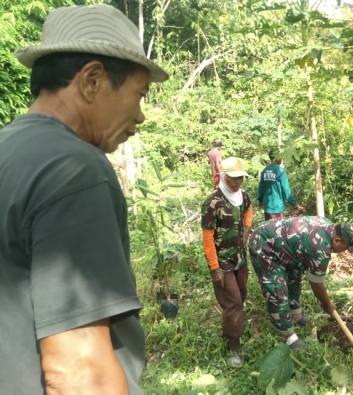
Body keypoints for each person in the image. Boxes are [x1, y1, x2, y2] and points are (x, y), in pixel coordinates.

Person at [0, 4, 168, 394]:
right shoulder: (74, 170)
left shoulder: (9, 150)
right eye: (139, 94)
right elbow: (79, 371)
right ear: (92, 80)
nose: (140, 116)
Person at [248, 216, 353, 349]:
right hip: (264, 243)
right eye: (345, 248)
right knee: (277, 288)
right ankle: (287, 334)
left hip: (284, 246)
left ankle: (295, 315)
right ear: (337, 240)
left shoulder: (329, 227)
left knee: (294, 276)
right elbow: (317, 285)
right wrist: (327, 305)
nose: (344, 252)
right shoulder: (320, 249)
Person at [200, 157, 252, 368]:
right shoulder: (213, 202)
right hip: (222, 262)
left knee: (241, 293)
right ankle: (233, 345)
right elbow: (207, 238)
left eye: (241, 178)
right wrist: (214, 268)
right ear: (224, 176)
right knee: (233, 302)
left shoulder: (244, 197)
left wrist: (247, 229)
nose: (238, 182)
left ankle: (235, 324)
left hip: (240, 259)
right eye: (233, 179)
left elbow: (248, 211)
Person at [257, 149, 303, 220]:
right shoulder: (280, 171)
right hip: (277, 207)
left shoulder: (265, 170)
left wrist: (260, 201)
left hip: (267, 207)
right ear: (276, 157)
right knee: (278, 229)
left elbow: (261, 187)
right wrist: (294, 203)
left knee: (269, 228)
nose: (282, 158)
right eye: (280, 156)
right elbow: (286, 189)